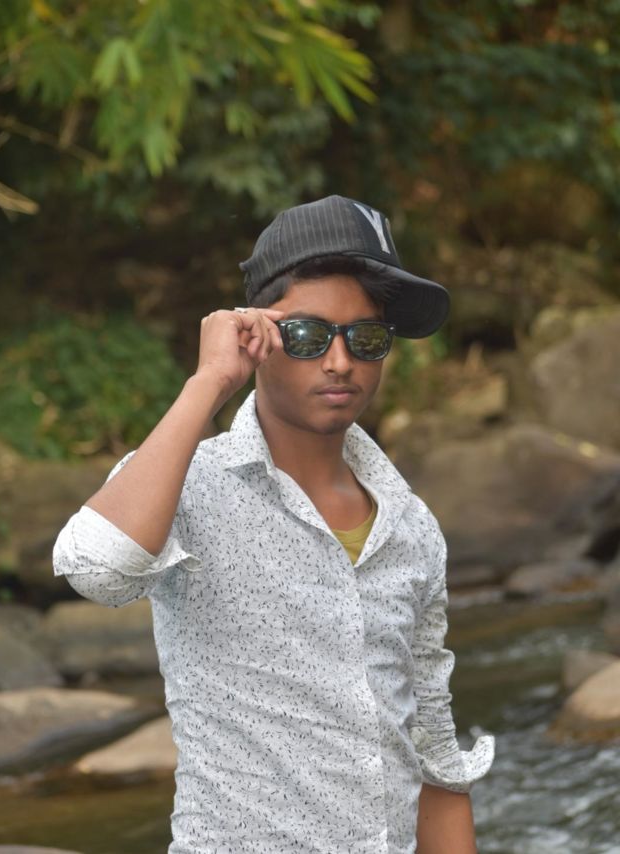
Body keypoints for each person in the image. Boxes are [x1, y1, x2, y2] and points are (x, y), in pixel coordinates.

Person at [53, 195, 494, 854]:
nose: (339, 361)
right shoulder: (190, 485)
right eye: (308, 335)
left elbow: (431, 743)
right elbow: (96, 570)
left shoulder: (411, 526)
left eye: (366, 338)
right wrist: (210, 380)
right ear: (254, 336)